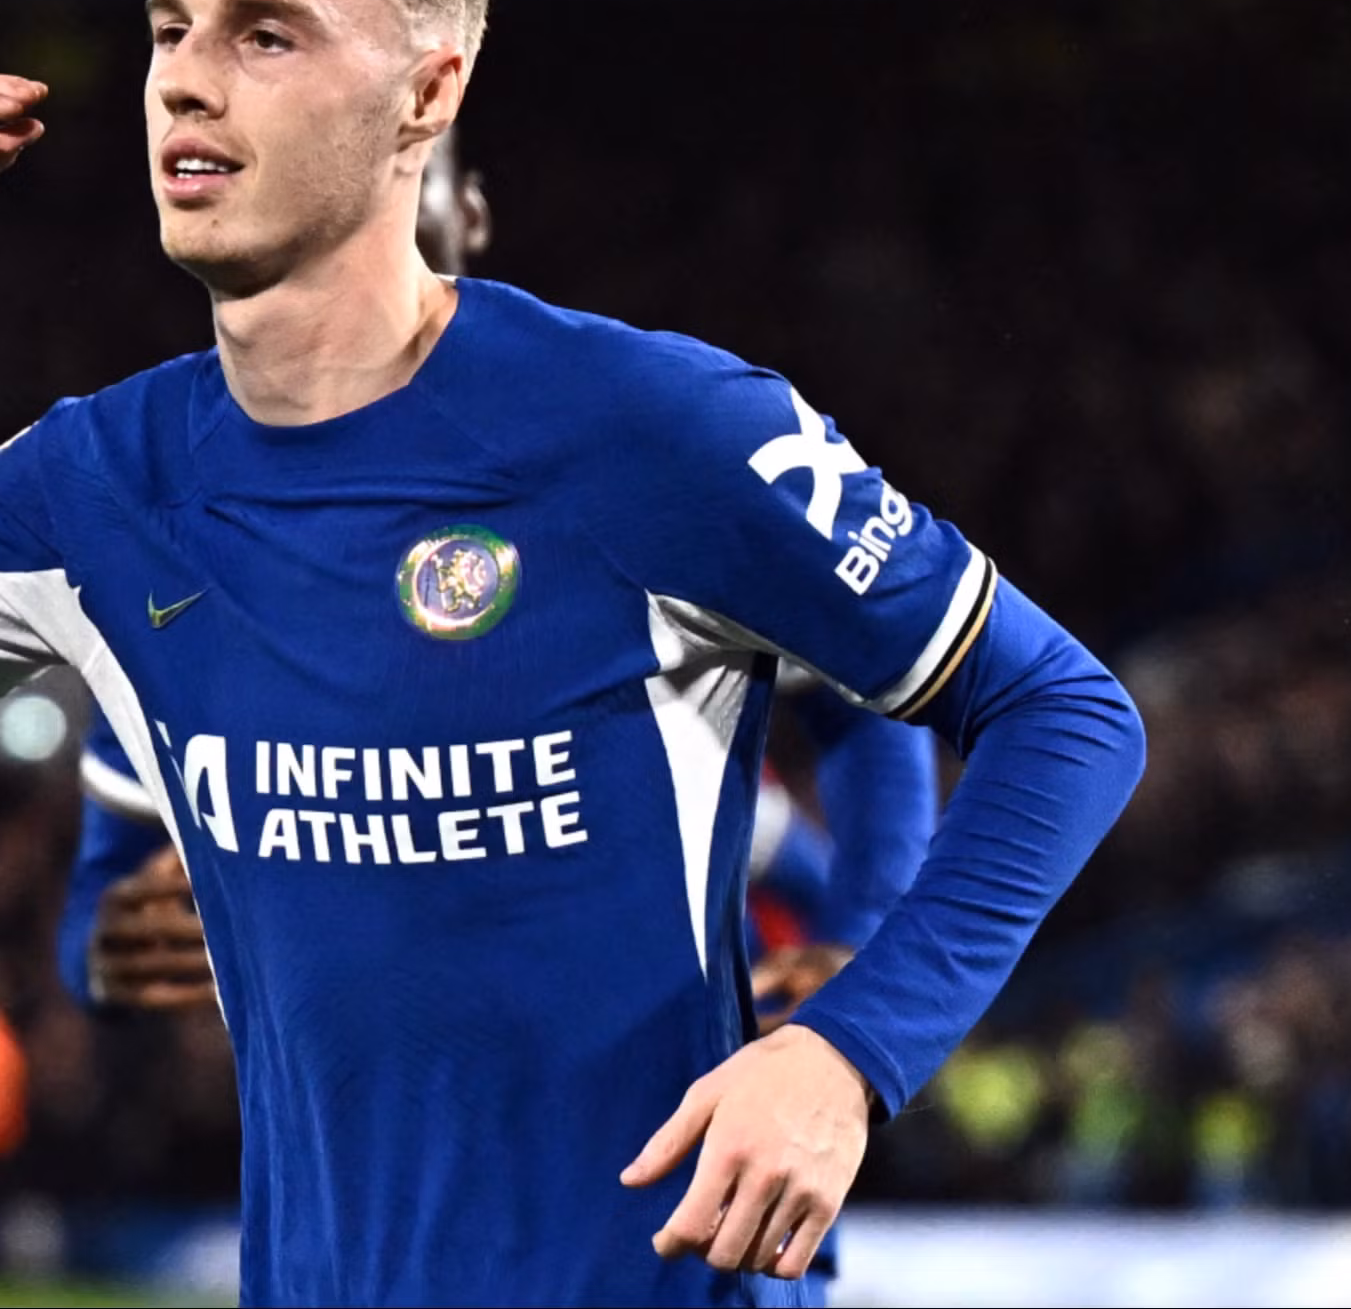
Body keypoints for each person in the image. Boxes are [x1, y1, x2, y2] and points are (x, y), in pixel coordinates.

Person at [0, 0, 1143, 1306]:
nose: (188, 79)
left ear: (428, 94)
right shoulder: (93, 487)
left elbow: (1067, 714)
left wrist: (851, 1050)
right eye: (169, 31)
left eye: (265, 35)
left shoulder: (652, 430)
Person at [63, 130, 941, 1043]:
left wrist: (859, 944)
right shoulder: (182, 530)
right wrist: (102, 953)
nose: (354, 219)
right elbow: (102, 897)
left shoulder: (626, 440)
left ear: (469, 212)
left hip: (640, 1095)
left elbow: (862, 703)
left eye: (397, 174)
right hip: (363, 1133)